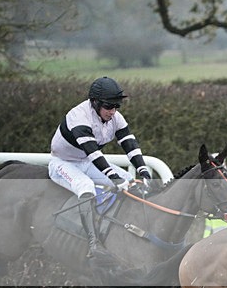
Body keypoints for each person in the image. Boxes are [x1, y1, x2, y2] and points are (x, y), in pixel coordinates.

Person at [48, 76, 152, 257]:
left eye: (116, 106)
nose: (112, 111)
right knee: (86, 187)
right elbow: (93, 153)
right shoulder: (79, 117)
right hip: (63, 163)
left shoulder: (115, 118)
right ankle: (93, 243)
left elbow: (129, 144)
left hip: (86, 162)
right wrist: (113, 177)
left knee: (129, 181)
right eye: (108, 106)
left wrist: (143, 170)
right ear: (94, 102)